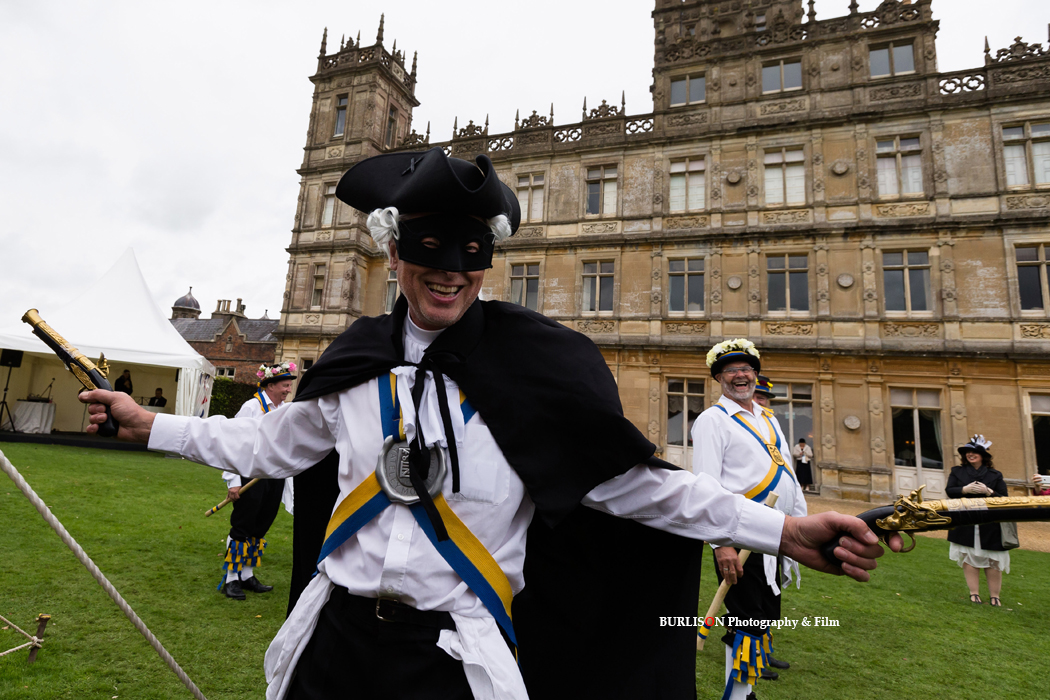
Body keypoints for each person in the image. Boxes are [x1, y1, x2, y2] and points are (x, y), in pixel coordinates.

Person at [81, 148, 898, 700]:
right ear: (395, 255)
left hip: (453, 657)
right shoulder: (353, 358)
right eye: (430, 251)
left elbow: (644, 489)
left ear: (488, 263)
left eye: (469, 255)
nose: (450, 273)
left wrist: (783, 531)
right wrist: (148, 422)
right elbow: (262, 445)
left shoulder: (535, 367)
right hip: (333, 638)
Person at [693, 341, 809, 699]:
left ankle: (747, 690)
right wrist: (720, 543)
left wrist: (801, 525)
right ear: (719, 378)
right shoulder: (712, 420)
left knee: (763, 616)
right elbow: (706, 486)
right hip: (740, 536)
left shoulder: (769, 418)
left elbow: (788, 474)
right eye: (730, 370)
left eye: (746, 369)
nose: (740, 376)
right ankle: (739, 696)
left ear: (755, 375)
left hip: (776, 532)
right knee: (746, 618)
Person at [220, 362, 297, 600]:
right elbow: (232, 442)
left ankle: (247, 574)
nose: (288, 390)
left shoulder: (284, 409)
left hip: (274, 476)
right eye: (285, 385)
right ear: (270, 385)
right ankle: (231, 579)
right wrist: (233, 481)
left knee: (261, 525)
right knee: (242, 526)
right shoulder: (251, 407)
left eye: (289, 386)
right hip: (250, 475)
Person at [945, 435, 1009, 606]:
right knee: (969, 556)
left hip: (989, 522)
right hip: (965, 518)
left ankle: (995, 596)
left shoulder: (995, 475)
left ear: (983, 456)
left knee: (993, 559)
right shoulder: (957, 471)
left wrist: (990, 492)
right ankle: (974, 594)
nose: (970, 455)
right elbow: (950, 491)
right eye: (967, 452)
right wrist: (964, 489)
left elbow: (1005, 499)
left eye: (974, 452)